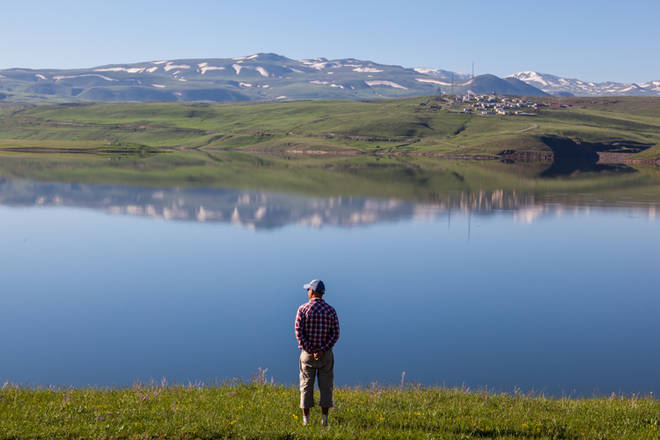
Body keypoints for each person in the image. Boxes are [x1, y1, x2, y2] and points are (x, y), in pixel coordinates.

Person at [294, 279, 340, 426]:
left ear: (312, 292)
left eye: (308, 289)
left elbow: (298, 332)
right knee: (326, 386)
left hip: (307, 355)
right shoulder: (330, 310)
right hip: (325, 355)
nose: (307, 291)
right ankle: (324, 420)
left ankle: (306, 421)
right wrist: (322, 349)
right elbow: (335, 333)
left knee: (306, 386)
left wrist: (310, 349)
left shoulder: (302, 309)